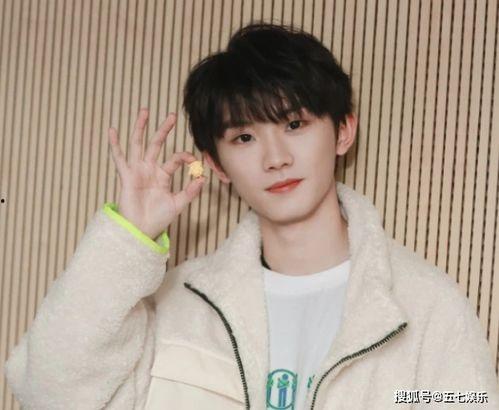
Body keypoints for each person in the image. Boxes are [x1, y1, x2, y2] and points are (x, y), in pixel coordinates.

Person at [3, 22, 498, 410]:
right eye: (244, 137)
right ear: (217, 165)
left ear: (344, 131)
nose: (275, 157)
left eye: (295, 124)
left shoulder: (422, 306)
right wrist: (128, 237)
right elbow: (49, 392)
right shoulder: (179, 308)